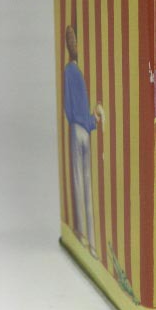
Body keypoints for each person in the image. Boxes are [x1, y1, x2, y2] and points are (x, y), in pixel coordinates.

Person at [64, 26, 103, 258]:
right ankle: (89, 242)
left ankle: (86, 239)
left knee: (82, 182)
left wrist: (89, 120)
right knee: (84, 183)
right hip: (83, 130)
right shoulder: (74, 72)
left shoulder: (72, 72)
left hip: (79, 129)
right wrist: (91, 119)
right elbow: (73, 109)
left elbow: (71, 109)